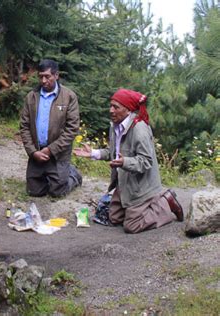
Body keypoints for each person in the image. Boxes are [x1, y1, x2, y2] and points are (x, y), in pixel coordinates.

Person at [73, 88, 184, 234]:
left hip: (141, 186)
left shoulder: (139, 129)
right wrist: (93, 153)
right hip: (125, 183)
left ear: (128, 109)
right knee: (114, 218)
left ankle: (166, 203)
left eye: (116, 107)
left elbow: (146, 162)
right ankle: (139, 209)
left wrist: (125, 162)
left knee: (132, 226)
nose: (111, 110)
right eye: (111, 105)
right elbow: (113, 152)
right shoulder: (115, 126)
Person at [20, 59, 82, 197]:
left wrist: (51, 149)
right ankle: (51, 175)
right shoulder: (31, 97)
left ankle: (73, 175)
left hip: (58, 153)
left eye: (47, 76)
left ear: (56, 75)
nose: (43, 80)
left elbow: (72, 129)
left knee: (57, 192)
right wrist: (33, 152)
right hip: (37, 151)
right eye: (40, 76)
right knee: (34, 191)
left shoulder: (69, 97)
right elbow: (24, 127)